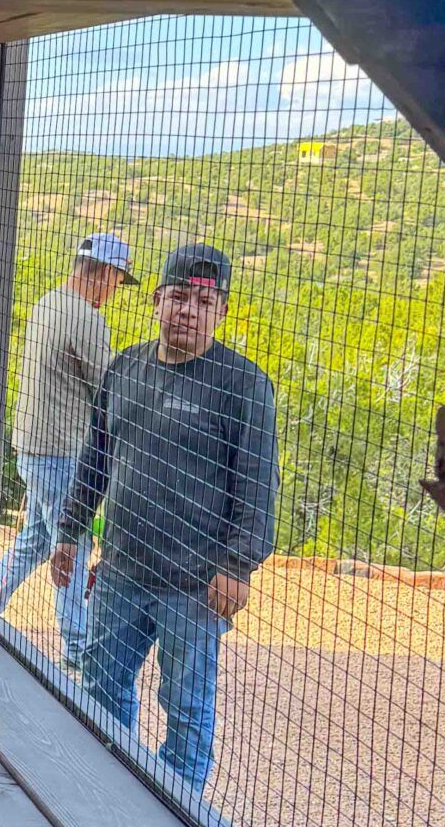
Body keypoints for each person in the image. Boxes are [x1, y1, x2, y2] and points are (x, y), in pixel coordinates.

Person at [50, 242, 277, 793]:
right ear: (156, 301)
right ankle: (106, 799)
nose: (188, 311)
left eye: (204, 302)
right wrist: (69, 533)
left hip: (195, 587)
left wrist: (239, 565)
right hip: (121, 573)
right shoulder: (125, 367)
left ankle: (178, 822)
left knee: (186, 712)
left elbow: (258, 485)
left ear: (222, 311)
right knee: (102, 693)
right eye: (178, 298)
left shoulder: (244, 386)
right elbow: (95, 459)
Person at [0, 232, 138, 669]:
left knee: (38, 540)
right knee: (72, 547)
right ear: (107, 274)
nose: (115, 292)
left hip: (31, 447)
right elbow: (111, 392)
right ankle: (78, 651)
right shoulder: (86, 318)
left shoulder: (49, 301)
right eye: (117, 281)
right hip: (61, 452)